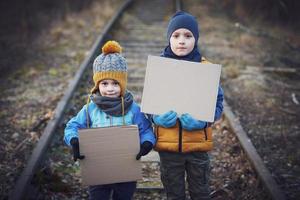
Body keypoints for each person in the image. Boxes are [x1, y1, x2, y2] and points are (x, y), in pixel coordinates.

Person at [64, 40, 156, 200]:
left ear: (123, 84)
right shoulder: (90, 109)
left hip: (126, 168)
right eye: (104, 83)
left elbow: (146, 130)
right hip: (98, 168)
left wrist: (147, 143)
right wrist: (74, 141)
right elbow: (72, 126)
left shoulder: (133, 108)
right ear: (97, 85)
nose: (110, 88)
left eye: (115, 83)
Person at [152, 11, 224, 200]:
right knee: (173, 193)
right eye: (176, 36)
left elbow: (217, 103)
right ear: (169, 39)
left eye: (188, 36)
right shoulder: (159, 69)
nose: (181, 41)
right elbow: (149, 105)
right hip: (169, 149)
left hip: (197, 147)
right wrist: (155, 118)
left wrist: (203, 121)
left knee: (200, 192)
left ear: (196, 39)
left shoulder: (206, 69)